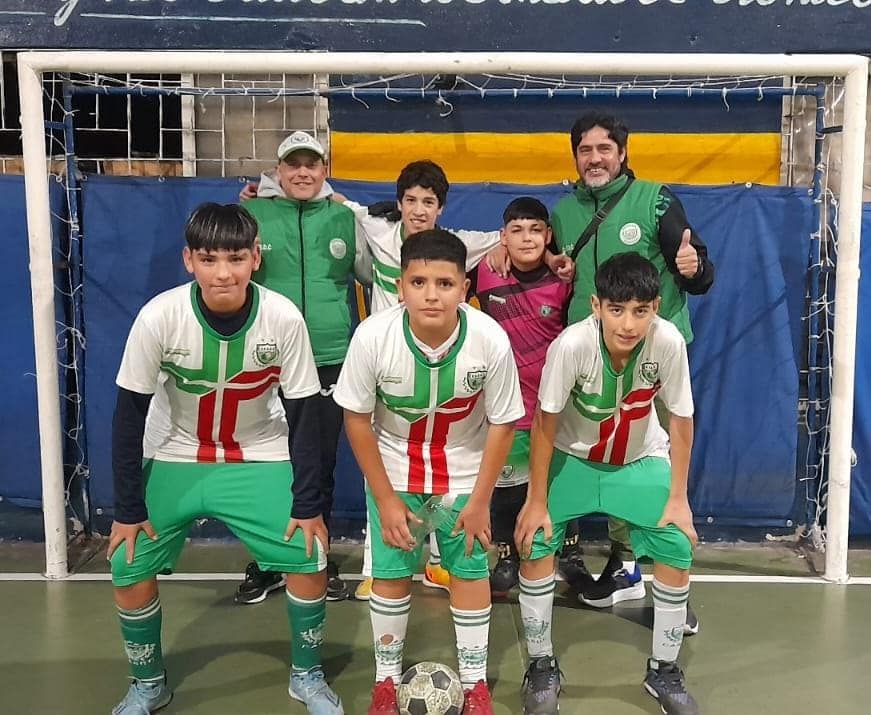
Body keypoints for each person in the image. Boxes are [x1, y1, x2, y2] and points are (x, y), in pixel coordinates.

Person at [107, 203, 343, 715]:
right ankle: (148, 684)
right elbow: (127, 418)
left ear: (255, 258)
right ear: (188, 260)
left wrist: (308, 505)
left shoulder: (283, 318)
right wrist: (127, 509)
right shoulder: (159, 317)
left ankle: (307, 675)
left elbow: (306, 418)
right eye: (209, 259)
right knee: (126, 562)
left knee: (310, 553)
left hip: (258, 452)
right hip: (175, 452)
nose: (223, 273)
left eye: (235, 258)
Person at [334, 230, 525, 715]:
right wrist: (385, 499)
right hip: (395, 472)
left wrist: (480, 501)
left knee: (469, 571)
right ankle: (385, 681)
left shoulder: (489, 339)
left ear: (465, 288)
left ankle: (475, 685)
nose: (431, 294)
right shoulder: (372, 337)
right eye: (418, 282)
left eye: (445, 283)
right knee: (391, 573)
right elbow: (356, 419)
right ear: (400, 287)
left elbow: (504, 422)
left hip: (464, 474)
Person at [515, 252, 699, 715]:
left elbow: (680, 419)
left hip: (639, 461)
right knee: (534, 543)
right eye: (617, 310)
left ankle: (663, 669)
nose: (628, 323)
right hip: (572, 460)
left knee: (677, 543)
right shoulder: (571, 346)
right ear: (596, 306)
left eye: (640, 310)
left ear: (656, 307)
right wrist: (536, 499)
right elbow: (544, 423)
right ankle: (541, 664)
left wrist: (679, 498)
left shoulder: (668, 342)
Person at [549, 111, 714, 615]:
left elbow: (699, 273)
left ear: (622, 153)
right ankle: (613, 563)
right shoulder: (563, 212)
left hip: (650, 363)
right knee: (600, 458)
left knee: (651, 462)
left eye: (604, 149)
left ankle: (661, 578)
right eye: (585, 150)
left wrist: (694, 267)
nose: (594, 158)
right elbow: (551, 265)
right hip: (589, 363)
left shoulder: (656, 200)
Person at [234, 131, 371, 604]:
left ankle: (316, 557)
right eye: (293, 165)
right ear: (278, 171)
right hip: (267, 361)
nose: (302, 173)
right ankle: (269, 560)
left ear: (324, 170)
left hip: (330, 358)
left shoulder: (344, 217)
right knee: (269, 463)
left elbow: (375, 273)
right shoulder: (252, 215)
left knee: (319, 462)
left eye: (311, 164)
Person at [472, 197, 573, 597]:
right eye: (516, 230)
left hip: (553, 407)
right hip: (505, 408)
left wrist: (553, 260)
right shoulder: (485, 271)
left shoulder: (564, 279)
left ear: (548, 235)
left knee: (556, 484)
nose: (526, 238)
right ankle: (508, 554)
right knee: (508, 487)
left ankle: (566, 551)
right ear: (503, 236)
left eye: (535, 230)